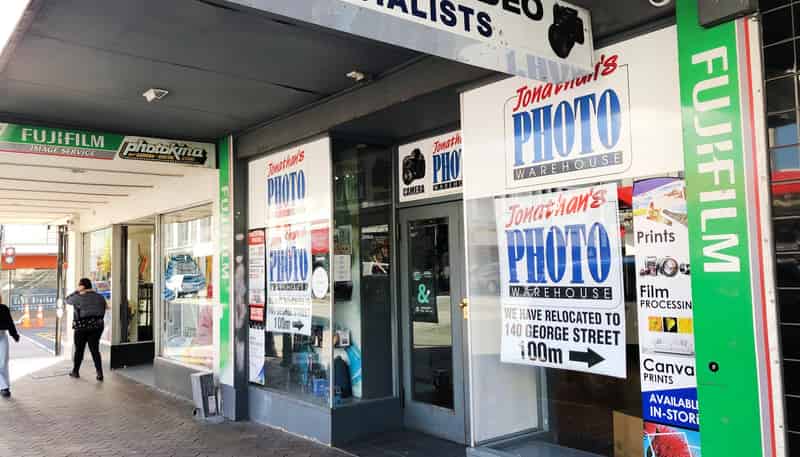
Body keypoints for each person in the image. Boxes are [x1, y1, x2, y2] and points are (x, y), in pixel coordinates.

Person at [65, 278, 107, 381]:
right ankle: (99, 373)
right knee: (95, 350)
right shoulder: (100, 297)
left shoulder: (78, 297)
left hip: (82, 327)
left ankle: (75, 371)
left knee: (79, 350)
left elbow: (67, 300)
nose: (78, 287)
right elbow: (104, 308)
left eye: (79, 285)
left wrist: (77, 291)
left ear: (82, 286)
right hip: (97, 326)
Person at [0, 297, 20, 397]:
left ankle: (5, 386)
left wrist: (14, 335)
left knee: (3, 363)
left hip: (2, 336)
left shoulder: (4, 308)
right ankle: (3, 387)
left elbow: (10, 323)